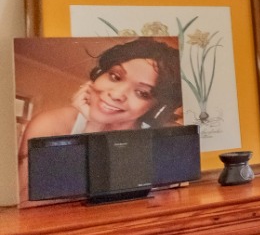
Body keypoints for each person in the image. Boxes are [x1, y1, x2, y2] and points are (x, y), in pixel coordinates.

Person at [16, 37, 184, 200]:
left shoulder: (167, 141)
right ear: (98, 74)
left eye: (142, 93)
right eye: (115, 76)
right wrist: (93, 129)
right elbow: (26, 204)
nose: (117, 94)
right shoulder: (50, 125)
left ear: (156, 107)